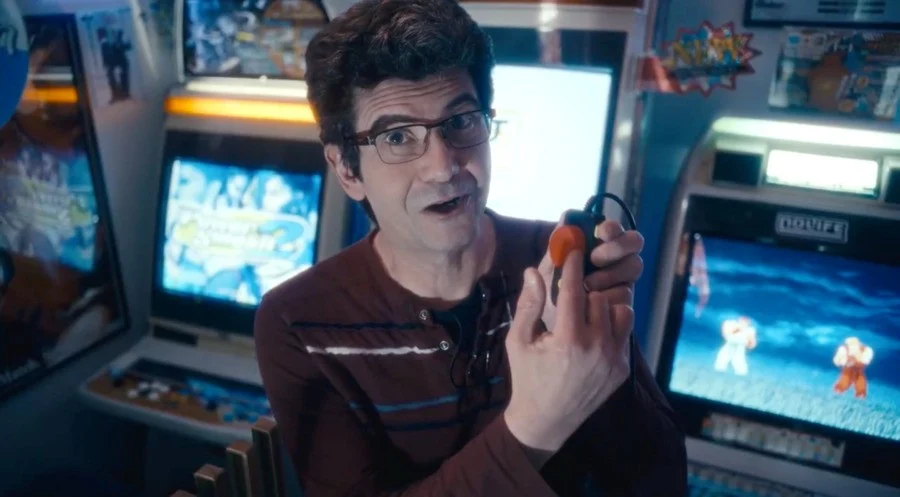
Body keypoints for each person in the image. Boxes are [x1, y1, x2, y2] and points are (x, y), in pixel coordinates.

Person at [253, 1, 687, 496]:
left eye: (460, 122)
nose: (444, 167)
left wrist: (604, 357)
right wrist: (534, 426)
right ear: (348, 170)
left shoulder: (560, 261)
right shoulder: (298, 322)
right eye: (397, 136)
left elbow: (662, 479)